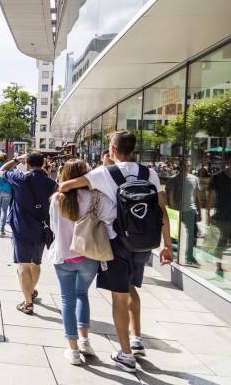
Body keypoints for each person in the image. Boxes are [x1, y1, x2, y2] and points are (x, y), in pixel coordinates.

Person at [58, 131, 173, 373]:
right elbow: (161, 210)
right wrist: (167, 246)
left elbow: (66, 185)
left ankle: (126, 355)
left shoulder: (103, 173)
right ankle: (137, 338)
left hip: (117, 244)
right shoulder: (149, 173)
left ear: (112, 149)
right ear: (132, 150)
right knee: (132, 288)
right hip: (144, 243)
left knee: (119, 297)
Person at [49, 159, 116, 365]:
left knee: (67, 300)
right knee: (82, 295)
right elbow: (112, 217)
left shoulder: (56, 199)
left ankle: (73, 350)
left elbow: (53, 227)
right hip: (89, 255)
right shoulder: (97, 197)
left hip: (63, 255)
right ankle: (85, 340)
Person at [0, 152, 57, 315]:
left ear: (27, 163)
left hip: (22, 228)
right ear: (43, 163)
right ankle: (31, 290)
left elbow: (0, 171)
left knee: (23, 265)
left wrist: (16, 160)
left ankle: (28, 303)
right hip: (43, 228)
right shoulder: (51, 183)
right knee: (36, 263)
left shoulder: (19, 178)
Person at [166, 163, 201, 265]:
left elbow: (197, 196)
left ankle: (189, 257)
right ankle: (174, 255)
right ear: (181, 167)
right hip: (176, 211)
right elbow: (170, 195)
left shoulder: (194, 179)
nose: (186, 168)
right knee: (174, 236)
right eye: (185, 166)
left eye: (188, 166)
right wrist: (173, 211)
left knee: (191, 236)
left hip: (190, 210)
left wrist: (199, 211)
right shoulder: (173, 179)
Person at [206, 153, 231, 278]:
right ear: (228, 162)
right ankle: (219, 267)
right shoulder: (217, 177)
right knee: (221, 243)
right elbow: (211, 195)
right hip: (222, 216)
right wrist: (208, 214)